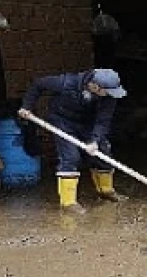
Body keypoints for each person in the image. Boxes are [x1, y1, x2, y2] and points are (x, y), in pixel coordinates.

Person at [18, 68, 127, 214]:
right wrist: (27, 106)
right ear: (94, 86)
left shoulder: (109, 97)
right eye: (107, 91)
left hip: (88, 123)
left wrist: (94, 141)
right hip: (62, 121)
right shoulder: (66, 83)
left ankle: (106, 191)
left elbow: (103, 121)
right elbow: (38, 85)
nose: (110, 95)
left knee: (103, 152)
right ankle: (68, 202)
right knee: (70, 157)